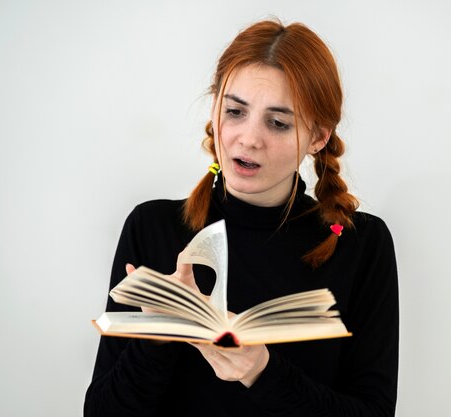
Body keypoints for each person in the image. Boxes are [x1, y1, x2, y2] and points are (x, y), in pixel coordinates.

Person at [84, 19, 399, 417]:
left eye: (278, 122)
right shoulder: (154, 227)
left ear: (318, 136)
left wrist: (262, 371)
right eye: (235, 111)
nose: (249, 138)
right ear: (215, 109)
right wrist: (155, 339)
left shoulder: (360, 243)